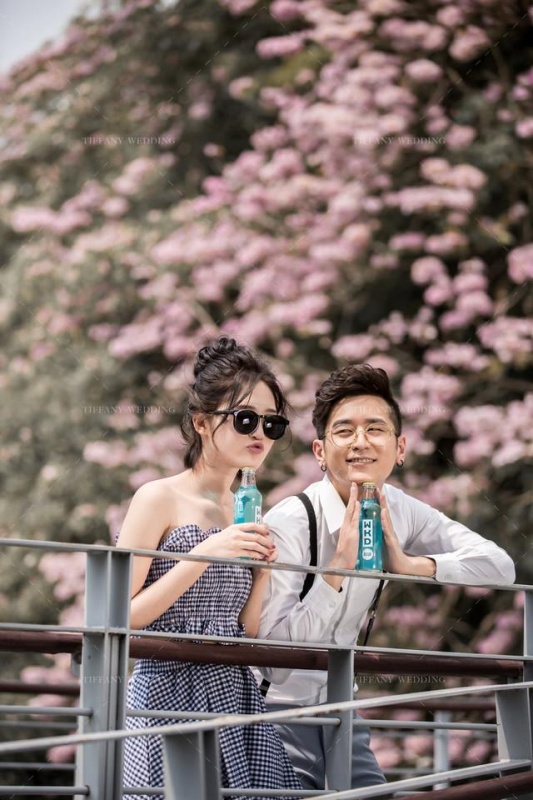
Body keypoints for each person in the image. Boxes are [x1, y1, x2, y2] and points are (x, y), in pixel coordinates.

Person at [258, 363, 516, 791]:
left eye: (375, 429)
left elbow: (500, 566)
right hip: (275, 713)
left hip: (341, 709)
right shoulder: (292, 521)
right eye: (344, 431)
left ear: (400, 448)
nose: (360, 442)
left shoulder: (397, 508)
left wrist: (414, 566)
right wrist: (336, 571)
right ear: (320, 451)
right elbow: (274, 660)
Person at [116, 336, 302, 800]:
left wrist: (262, 576)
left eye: (272, 423)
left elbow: (244, 631)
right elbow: (118, 614)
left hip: (236, 694)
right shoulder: (158, 497)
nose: (260, 434)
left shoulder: (246, 507)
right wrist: (206, 554)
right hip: (167, 692)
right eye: (245, 419)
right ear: (201, 422)